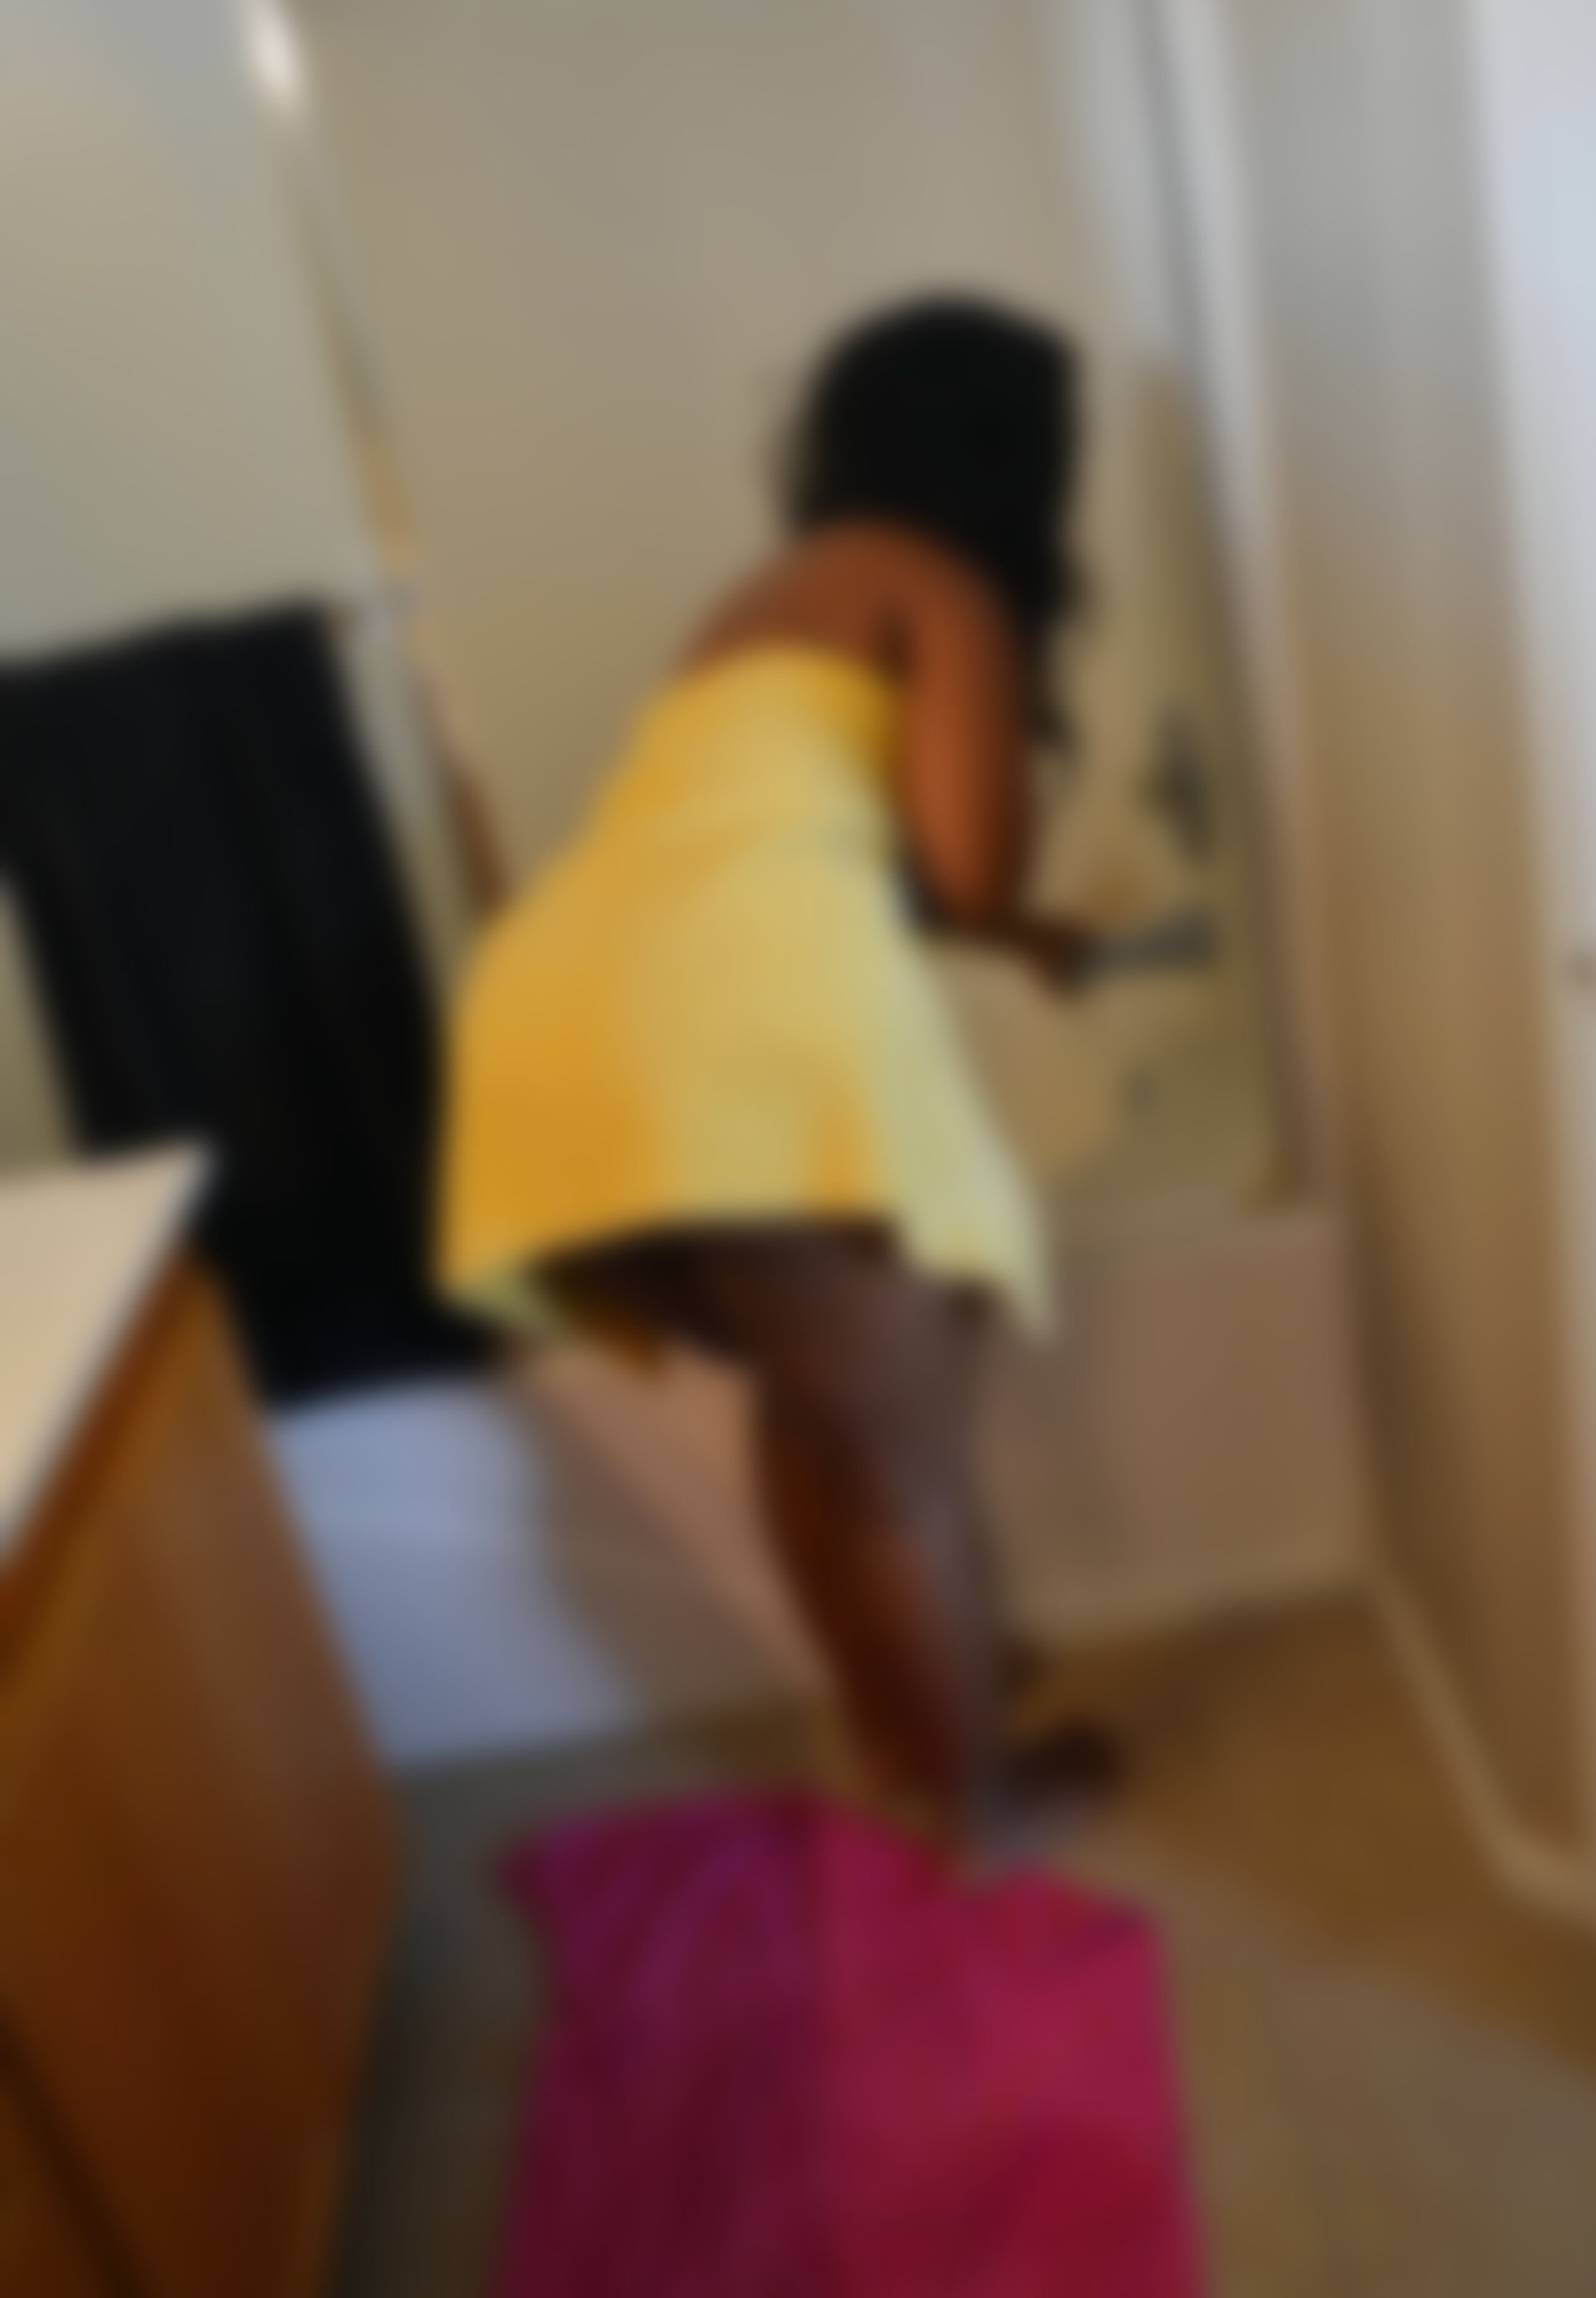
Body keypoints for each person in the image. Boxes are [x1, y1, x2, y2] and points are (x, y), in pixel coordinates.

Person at [440, 295, 1109, 1857]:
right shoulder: (941, 582)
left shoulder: (762, 597)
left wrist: (1017, 938)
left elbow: (780, 849)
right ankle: (983, 1801)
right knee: (902, 1476)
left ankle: (897, 1712)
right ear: (1012, 459)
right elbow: (961, 864)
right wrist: (1013, 902)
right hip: (728, 1025)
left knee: (820, 1420)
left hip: (558, 1007)